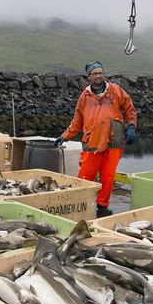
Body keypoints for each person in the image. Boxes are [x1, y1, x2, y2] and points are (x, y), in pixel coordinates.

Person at [54, 61, 138, 217]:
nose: (98, 76)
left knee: (108, 176)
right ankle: (80, 202)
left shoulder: (116, 90)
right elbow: (77, 122)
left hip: (114, 141)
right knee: (85, 175)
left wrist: (131, 126)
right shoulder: (84, 97)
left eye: (100, 72)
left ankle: (102, 206)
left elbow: (130, 109)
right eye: (95, 73)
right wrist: (64, 136)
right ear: (89, 77)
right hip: (92, 141)